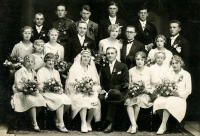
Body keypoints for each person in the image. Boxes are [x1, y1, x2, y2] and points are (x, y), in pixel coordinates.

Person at [153, 55, 191, 134]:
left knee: (168, 103)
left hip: (180, 98)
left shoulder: (186, 74)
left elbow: (188, 90)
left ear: (181, 63)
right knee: (157, 101)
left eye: (176, 63)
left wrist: (179, 94)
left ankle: (163, 126)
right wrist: (165, 91)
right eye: (173, 63)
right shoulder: (169, 74)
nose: (174, 65)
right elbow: (165, 85)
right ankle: (166, 123)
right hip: (169, 96)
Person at [65, 49, 101, 133]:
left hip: (89, 91)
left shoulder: (91, 68)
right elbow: (70, 82)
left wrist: (91, 88)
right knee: (84, 100)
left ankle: (88, 122)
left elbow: (96, 82)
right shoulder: (75, 68)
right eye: (84, 56)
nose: (86, 58)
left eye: (88, 57)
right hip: (77, 91)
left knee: (94, 100)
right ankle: (83, 122)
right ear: (80, 58)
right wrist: (81, 87)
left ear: (90, 58)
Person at [37, 53, 71, 132]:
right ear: (45, 61)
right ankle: (61, 124)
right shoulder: (41, 71)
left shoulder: (56, 72)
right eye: (49, 60)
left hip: (55, 93)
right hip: (45, 93)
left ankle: (56, 118)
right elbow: (40, 86)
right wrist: (50, 88)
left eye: (53, 61)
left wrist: (59, 89)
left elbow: (59, 84)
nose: (51, 62)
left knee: (68, 100)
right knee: (60, 100)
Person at [11, 54, 46, 132]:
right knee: (32, 101)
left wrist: (35, 88)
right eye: (28, 61)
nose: (30, 63)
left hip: (32, 92)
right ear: (24, 62)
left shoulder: (33, 72)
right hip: (21, 92)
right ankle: (34, 124)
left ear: (34, 63)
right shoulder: (19, 71)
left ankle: (30, 119)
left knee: (41, 100)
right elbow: (18, 85)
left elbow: (36, 82)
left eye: (32, 62)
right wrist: (26, 89)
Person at [99, 47, 129, 133]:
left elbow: (126, 83)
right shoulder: (104, 67)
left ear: (116, 54)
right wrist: (103, 89)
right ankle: (103, 123)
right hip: (107, 92)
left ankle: (109, 123)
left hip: (120, 92)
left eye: (112, 53)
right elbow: (101, 81)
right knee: (100, 98)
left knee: (114, 94)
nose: (110, 55)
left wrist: (113, 89)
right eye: (108, 53)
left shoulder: (123, 66)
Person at [124, 51, 154, 134]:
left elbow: (153, 84)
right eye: (137, 59)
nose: (139, 61)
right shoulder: (131, 71)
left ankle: (132, 125)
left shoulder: (149, 70)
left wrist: (148, 90)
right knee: (128, 101)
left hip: (146, 94)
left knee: (138, 100)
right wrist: (132, 89)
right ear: (135, 60)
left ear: (145, 60)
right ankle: (134, 124)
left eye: (141, 59)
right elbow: (129, 85)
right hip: (134, 93)